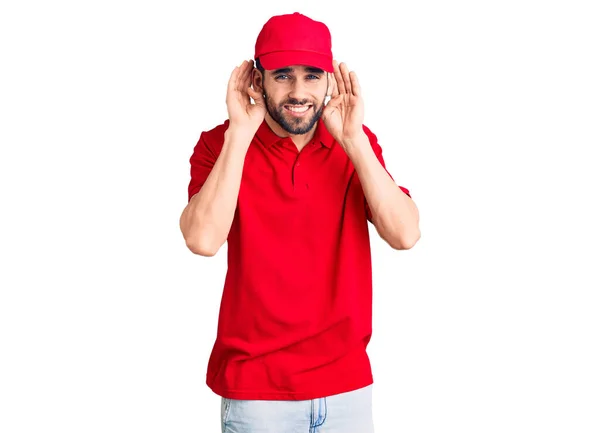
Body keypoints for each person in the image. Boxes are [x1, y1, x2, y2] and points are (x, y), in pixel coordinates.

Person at [179, 11, 420, 433]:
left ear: (330, 81)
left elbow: (405, 233)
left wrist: (354, 141)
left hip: (346, 389)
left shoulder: (355, 142)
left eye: (312, 76)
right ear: (258, 79)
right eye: (282, 75)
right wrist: (241, 132)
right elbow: (202, 239)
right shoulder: (220, 144)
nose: (298, 91)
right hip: (256, 394)